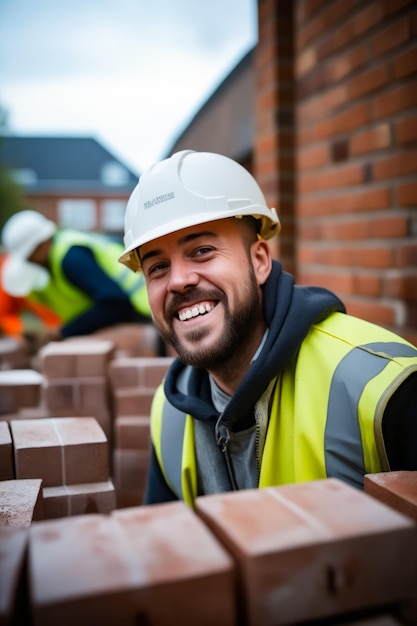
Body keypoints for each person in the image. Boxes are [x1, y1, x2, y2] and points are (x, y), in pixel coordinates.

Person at [118, 150, 417, 508]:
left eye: (202, 250)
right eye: (157, 268)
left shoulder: (383, 385)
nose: (179, 280)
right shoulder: (168, 415)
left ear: (259, 261)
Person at [1, 209, 152, 351]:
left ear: (41, 245)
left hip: (145, 315)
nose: (29, 262)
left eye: (29, 256)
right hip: (135, 316)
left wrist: (62, 332)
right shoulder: (54, 263)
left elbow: (115, 302)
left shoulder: (71, 257)